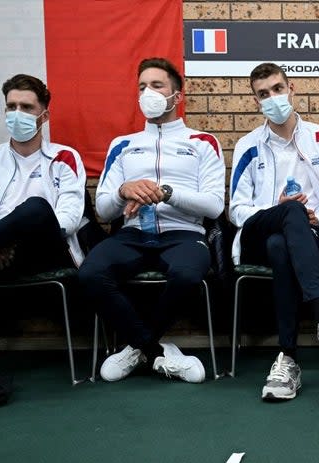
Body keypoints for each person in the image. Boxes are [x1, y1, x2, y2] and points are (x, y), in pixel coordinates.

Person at [78, 58, 225, 384]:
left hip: (184, 234)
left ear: (177, 95)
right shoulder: (123, 145)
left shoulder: (202, 142)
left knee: (187, 275)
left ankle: (134, 348)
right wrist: (123, 189)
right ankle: (156, 350)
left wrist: (166, 193)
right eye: (142, 86)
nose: (148, 92)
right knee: (90, 273)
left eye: (157, 85)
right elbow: (104, 209)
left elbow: (214, 206)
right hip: (131, 235)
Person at [229, 62, 319, 401]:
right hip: (259, 232)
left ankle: (288, 360)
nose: (272, 98)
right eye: (263, 94)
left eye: (277, 89)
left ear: (292, 89)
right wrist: (280, 209)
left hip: (312, 235)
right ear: (255, 101)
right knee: (288, 213)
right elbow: (236, 209)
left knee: (281, 244)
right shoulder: (248, 145)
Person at [0, 74, 86, 278]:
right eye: (12, 107)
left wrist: (4, 239)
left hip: (47, 250)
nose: (17, 113)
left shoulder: (64, 157)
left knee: (36, 208)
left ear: (44, 116)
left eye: (27, 107)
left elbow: (69, 218)